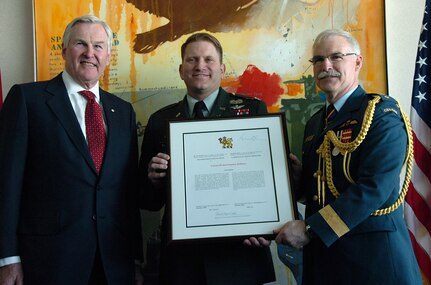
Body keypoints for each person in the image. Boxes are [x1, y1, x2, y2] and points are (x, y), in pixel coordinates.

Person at [248, 29, 422, 284]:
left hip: (374, 262)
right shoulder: (315, 123)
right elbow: (322, 190)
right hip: (325, 262)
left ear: (357, 62)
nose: (326, 66)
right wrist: (294, 184)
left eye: (336, 57)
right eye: (318, 59)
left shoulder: (381, 114)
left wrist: (309, 229)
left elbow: (375, 188)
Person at [0, 15, 143, 285]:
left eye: (99, 46)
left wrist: (135, 258)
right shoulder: (28, 100)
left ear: (109, 56)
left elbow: (127, 193)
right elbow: (6, 184)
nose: (90, 53)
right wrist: (7, 257)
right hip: (49, 261)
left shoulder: (123, 112)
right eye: (81, 44)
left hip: (113, 262)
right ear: (64, 50)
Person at [139, 32, 275, 285]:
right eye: (192, 60)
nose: (200, 66)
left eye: (208, 60)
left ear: (221, 69)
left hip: (240, 253)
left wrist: (266, 227)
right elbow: (148, 201)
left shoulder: (252, 111)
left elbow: (267, 181)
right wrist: (154, 181)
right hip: (182, 259)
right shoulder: (159, 121)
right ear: (181, 70)